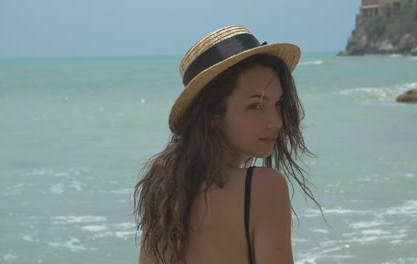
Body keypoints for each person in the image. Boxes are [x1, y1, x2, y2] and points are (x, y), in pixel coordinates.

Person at [134, 25, 318, 264]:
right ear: (214, 114)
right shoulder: (262, 187)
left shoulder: (162, 187)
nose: (276, 122)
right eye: (256, 106)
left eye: (278, 104)